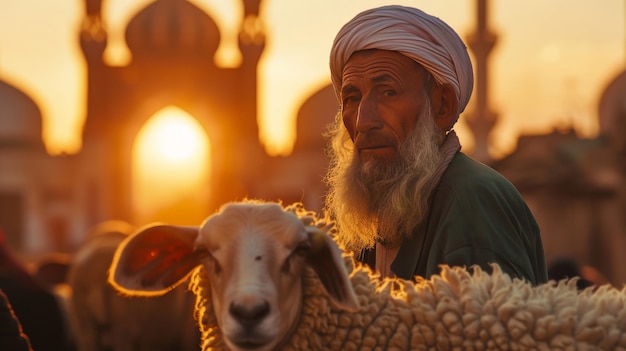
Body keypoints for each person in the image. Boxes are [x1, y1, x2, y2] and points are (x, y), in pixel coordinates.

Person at [324, 5, 548, 285]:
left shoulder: (472, 204)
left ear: (442, 105)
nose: (363, 121)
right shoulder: (378, 217)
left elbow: (487, 324)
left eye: (388, 92)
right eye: (353, 98)